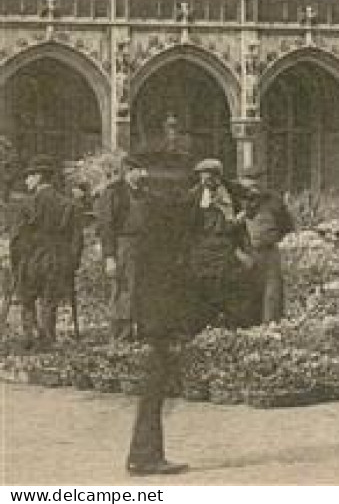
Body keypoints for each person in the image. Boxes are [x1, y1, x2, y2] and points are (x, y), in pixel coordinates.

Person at [123, 147, 197, 477]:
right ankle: (144, 455)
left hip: (158, 307)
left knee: (157, 382)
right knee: (154, 382)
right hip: (158, 309)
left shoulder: (151, 208)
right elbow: (146, 268)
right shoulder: (154, 211)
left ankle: (147, 453)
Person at [10, 159, 80, 349]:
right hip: (57, 258)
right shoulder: (68, 204)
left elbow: (17, 237)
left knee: (27, 299)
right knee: (50, 300)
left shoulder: (27, 204)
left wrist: (16, 262)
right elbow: (76, 239)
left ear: (39, 177)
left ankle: (30, 338)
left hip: (32, 258)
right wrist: (72, 262)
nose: (26, 181)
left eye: (29, 176)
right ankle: (47, 339)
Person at [188, 158, 247, 330]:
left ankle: (227, 326)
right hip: (203, 247)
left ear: (218, 177)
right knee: (203, 284)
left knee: (226, 284)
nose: (205, 181)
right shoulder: (195, 195)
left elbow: (252, 200)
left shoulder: (231, 193)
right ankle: (204, 325)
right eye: (202, 177)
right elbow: (187, 223)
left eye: (208, 177)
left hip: (226, 245)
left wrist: (240, 219)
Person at [234, 166, 295, 325]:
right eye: (248, 183)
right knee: (247, 294)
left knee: (272, 294)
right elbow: (228, 231)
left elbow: (286, 225)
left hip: (269, 253)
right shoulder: (236, 201)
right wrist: (240, 253)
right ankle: (247, 331)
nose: (253, 187)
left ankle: (270, 329)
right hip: (245, 253)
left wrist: (271, 237)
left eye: (257, 182)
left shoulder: (273, 200)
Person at [96, 157, 148, 341]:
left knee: (138, 288)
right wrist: (109, 256)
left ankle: (139, 330)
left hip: (141, 246)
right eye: (139, 170)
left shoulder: (142, 192)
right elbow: (106, 226)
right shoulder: (114, 193)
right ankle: (120, 335)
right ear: (129, 170)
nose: (143, 174)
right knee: (123, 288)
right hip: (122, 245)